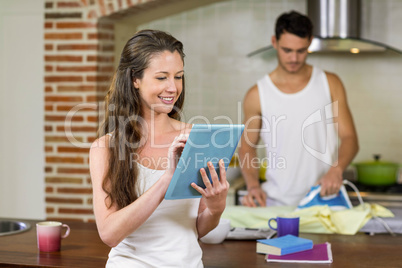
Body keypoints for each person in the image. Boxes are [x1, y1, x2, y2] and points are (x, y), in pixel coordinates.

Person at [89, 29, 229, 267]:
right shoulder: (106, 147)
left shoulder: (196, 137)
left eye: (178, 76)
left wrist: (215, 209)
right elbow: (109, 234)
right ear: (135, 79)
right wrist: (167, 180)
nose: (173, 88)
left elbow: (196, 229)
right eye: (162, 77)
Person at [239, 11, 359, 207]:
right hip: (276, 204)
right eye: (287, 50)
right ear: (274, 42)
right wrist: (252, 185)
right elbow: (246, 148)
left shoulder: (330, 83)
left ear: (310, 42)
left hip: (323, 200)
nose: (294, 58)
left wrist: (336, 170)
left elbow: (350, 138)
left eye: (301, 50)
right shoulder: (257, 94)